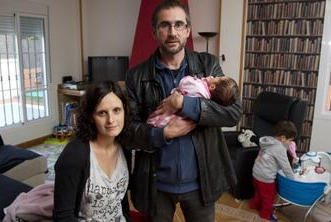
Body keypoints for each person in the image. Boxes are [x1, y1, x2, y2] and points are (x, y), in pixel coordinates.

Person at [124, 0, 242, 221]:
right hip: (155, 184)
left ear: (187, 31)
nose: (172, 32)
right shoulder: (136, 76)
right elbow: (128, 131)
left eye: (179, 25)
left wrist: (186, 105)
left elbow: (233, 112)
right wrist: (163, 133)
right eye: (165, 25)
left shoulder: (209, 66)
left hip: (201, 183)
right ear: (154, 31)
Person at [53, 81, 131, 222]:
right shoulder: (75, 155)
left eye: (117, 110)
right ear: (90, 116)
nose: (111, 120)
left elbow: (121, 200)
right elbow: (63, 217)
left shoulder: (124, 146)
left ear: (124, 110)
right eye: (102, 113)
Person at [147, 75, 237, 127]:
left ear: (212, 87)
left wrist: (194, 78)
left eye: (218, 77)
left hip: (170, 116)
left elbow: (184, 83)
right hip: (176, 120)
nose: (213, 76)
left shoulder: (199, 87)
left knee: (158, 118)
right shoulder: (207, 97)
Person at [250, 120, 296, 221]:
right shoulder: (279, 148)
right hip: (266, 178)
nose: (290, 143)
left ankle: (254, 205)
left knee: (258, 192)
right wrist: (292, 179)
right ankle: (265, 214)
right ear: (283, 138)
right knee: (269, 198)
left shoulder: (268, 140)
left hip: (256, 173)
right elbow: (286, 166)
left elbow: (271, 160)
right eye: (290, 140)